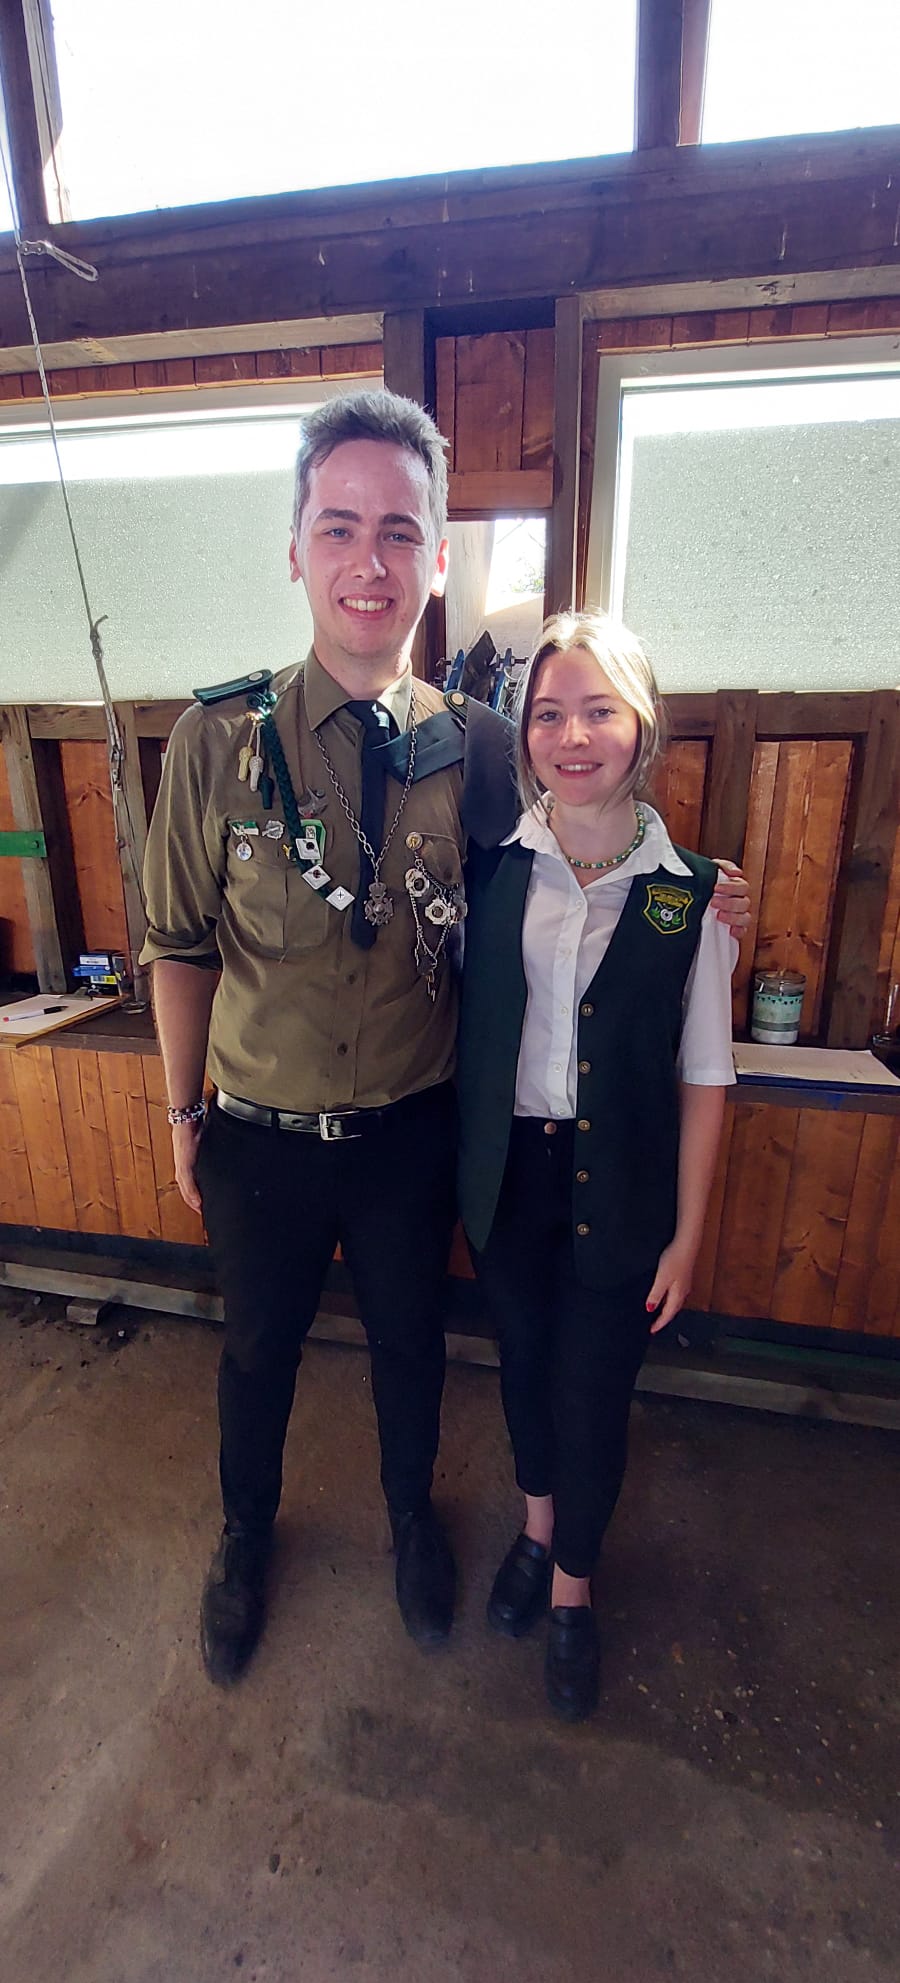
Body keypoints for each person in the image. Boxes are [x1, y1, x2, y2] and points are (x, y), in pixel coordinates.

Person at [140, 389, 749, 1688]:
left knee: (412, 1349)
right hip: (258, 1133)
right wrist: (180, 1111)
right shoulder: (216, 742)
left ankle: (414, 1520)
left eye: (400, 532)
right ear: (294, 547)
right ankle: (245, 1538)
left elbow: (571, 850)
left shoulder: (478, 747)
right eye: (339, 527)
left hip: (413, 1137)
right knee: (255, 1353)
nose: (369, 561)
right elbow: (178, 946)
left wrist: (701, 892)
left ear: (433, 558)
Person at [456, 611, 738, 1722]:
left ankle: (574, 1589)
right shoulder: (494, 872)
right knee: (524, 1371)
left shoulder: (688, 894)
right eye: (548, 714)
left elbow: (706, 1076)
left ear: (641, 726)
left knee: (593, 1395)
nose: (572, 737)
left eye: (598, 712)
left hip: (620, 1192)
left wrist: (688, 1236)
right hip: (510, 1181)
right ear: (525, 733)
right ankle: (535, 1534)